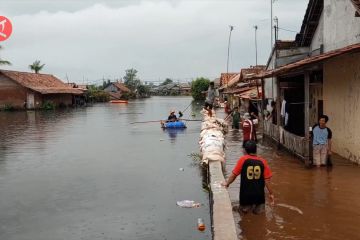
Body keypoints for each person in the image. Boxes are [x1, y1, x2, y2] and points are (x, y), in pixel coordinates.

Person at [222, 140, 274, 214]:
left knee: (244, 216)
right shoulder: (263, 162)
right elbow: (267, 181)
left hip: (246, 195)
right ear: (256, 150)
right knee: (260, 217)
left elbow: (234, 175)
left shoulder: (243, 160)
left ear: (245, 150)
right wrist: (271, 193)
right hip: (259, 196)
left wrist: (227, 183)